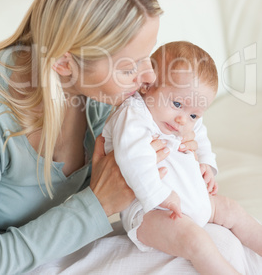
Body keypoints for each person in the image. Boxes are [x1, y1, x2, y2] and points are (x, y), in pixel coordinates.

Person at [0, 0, 198, 275]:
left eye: (149, 57)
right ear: (63, 62)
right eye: (129, 67)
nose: (148, 78)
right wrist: (97, 204)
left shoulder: (104, 97)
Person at [103, 41, 262, 275]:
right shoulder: (133, 115)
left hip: (193, 197)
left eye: (193, 114)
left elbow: (200, 132)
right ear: (148, 85)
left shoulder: (183, 118)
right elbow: (132, 160)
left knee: (232, 210)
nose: (182, 120)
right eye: (176, 103)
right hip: (149, 210)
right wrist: (160, 196)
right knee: (196, 241)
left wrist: (207, 163)